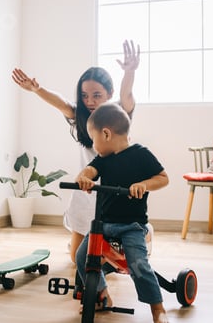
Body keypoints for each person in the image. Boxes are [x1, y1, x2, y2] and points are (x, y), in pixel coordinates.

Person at [12, 40, 142, 263]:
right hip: (87, 189)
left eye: (96, 95)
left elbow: (127, 94)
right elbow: (62, 103)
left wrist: (129, 72)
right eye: (84, 95)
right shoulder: (82, 116)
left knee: (106, 257)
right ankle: (90, 245)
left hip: (115, 190)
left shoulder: (119, 113)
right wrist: (37, 89)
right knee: (77, 259)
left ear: (109, 93)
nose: (89, 101)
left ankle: (138, 239)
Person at [74, 103, 169, 323]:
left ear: (106, 133)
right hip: (103, 224)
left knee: (138, 265)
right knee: (82, 257)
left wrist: (144, 185)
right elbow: (90, 170)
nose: (94, 145)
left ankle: (157, 307)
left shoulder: (141, 155)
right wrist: (84, 178)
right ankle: (102, 295)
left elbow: (163, 178)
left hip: (131, 226)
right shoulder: (103, 159)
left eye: (93, 138)